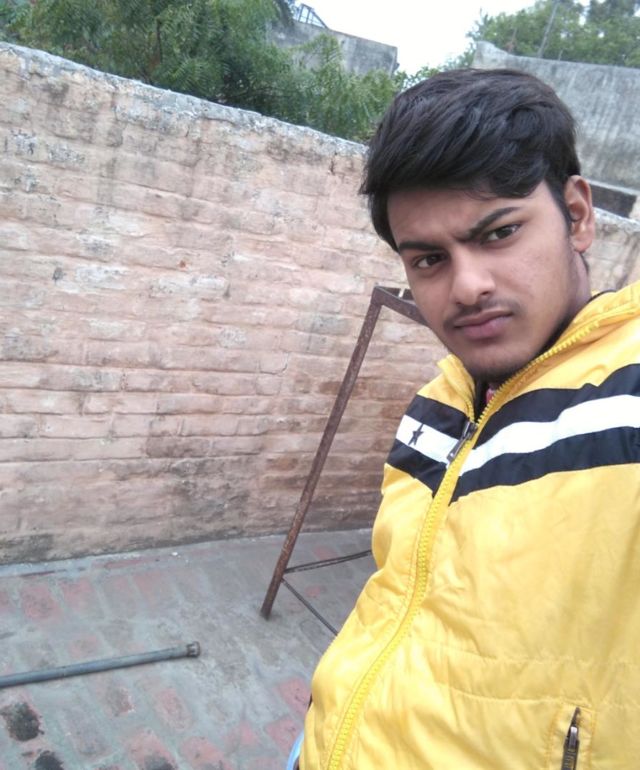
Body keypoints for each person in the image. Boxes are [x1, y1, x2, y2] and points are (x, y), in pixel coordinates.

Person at [297, 68, 640, 769]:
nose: (468, 286)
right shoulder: (441, 400)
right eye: (429, 259)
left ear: (578, 215)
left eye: (499, 233)